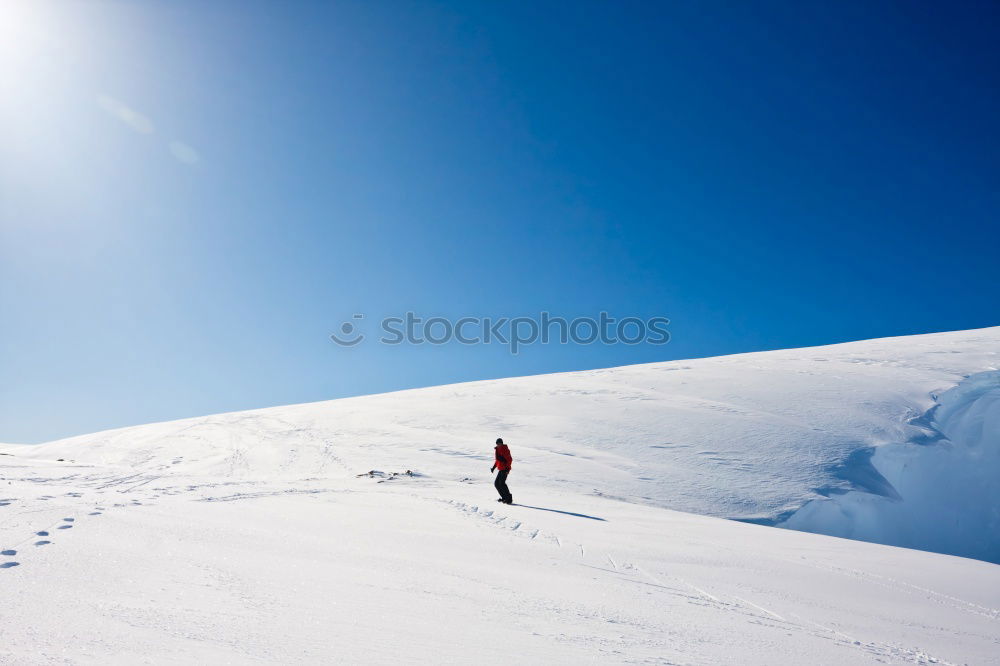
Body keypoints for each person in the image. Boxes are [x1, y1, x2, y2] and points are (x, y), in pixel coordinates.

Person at [491, 437, 513, 504]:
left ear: (502, 443)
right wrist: (493, 467)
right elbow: (497, 460)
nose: (498, 445)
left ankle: (509, 499)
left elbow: (510, 460)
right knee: (496, 484)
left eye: (499, 443)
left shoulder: (505, 449)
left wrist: (507, 469)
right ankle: (504, 498)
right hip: (500, 469)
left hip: (505, 469)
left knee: (502, 483)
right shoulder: (497, 449)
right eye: (497, 443)